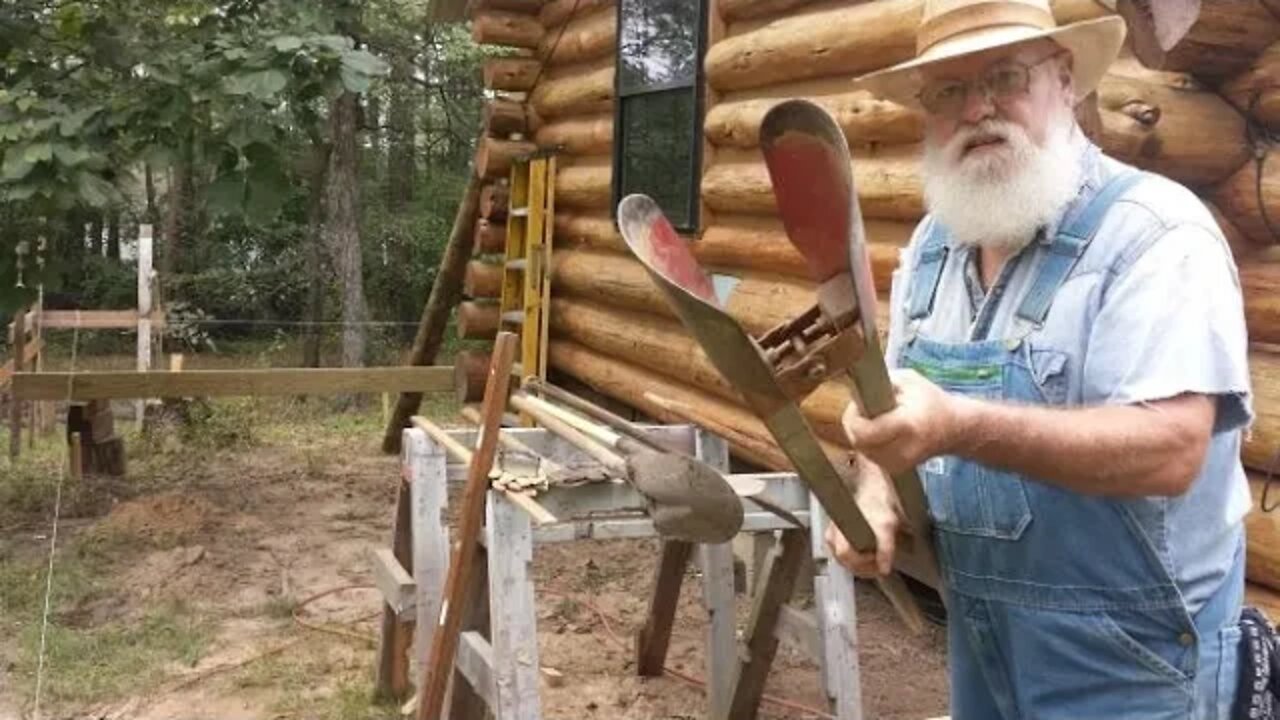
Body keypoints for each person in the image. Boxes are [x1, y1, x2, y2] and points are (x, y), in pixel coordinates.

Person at [825, 1, 1256, 717]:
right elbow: (895, 401)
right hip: (985, 641)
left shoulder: (1153, 233)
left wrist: (959, 424)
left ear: (1065, 80)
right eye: (949, 91)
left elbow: (1172, 450)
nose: (978, 110)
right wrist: (875, 486)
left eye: (1003, 77)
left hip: (1138, 666)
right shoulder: (936, 243)